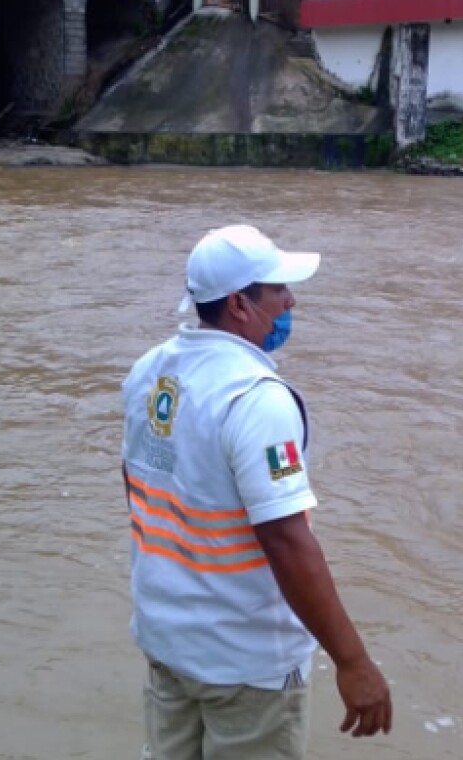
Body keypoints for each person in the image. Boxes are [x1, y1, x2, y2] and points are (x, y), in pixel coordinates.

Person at [121, 224, 392, 760]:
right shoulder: (257, 399)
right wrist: (353, 661)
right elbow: (287, 541)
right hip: (244, 664)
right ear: (241, 305)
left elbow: (138, 486)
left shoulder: (149, 373)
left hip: (167, 641)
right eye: (278, 291)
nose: (291, 300)